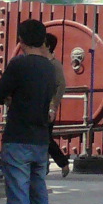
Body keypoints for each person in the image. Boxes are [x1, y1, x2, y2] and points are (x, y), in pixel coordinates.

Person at [0, 19, 61, 204]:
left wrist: (11, 98)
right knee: (38, 193)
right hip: (41, 137)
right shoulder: (50, 67)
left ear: (20, 40)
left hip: (19, 135)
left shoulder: (19, 64)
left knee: (18, 195)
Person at [42, 33, 71, 176]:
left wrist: (53, 106)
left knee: (45, 138)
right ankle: (50, 164)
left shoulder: (54, 64)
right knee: (43, 138)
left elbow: (61, 85)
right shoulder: (40, 62)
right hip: (37, 104)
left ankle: (62, 163)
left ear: (47, 46)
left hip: (48, 106)